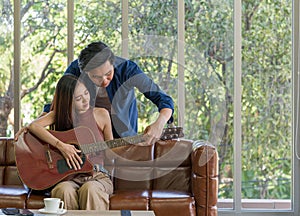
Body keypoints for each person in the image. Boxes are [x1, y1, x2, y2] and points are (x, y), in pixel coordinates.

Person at [43, 41, 174, 144]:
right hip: (84, 139)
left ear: (113, 63)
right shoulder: (75, 71)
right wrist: (33, 129)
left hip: (123, 138)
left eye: (108, 74)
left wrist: (160, 123)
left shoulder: (127, 69)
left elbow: (164, 99)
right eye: (96, 77)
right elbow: (59, 103)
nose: (104, 81)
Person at [15, 74, 114, 210]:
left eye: (86, 93)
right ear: (68, 102)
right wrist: (62, 146)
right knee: (63, 190)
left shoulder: (101, 114)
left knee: (90, 189)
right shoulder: (58, 115)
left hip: (97, 176)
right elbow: (34, 126)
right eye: (79, 98)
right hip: (67, 178)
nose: (86, 100)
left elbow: (112, 152)